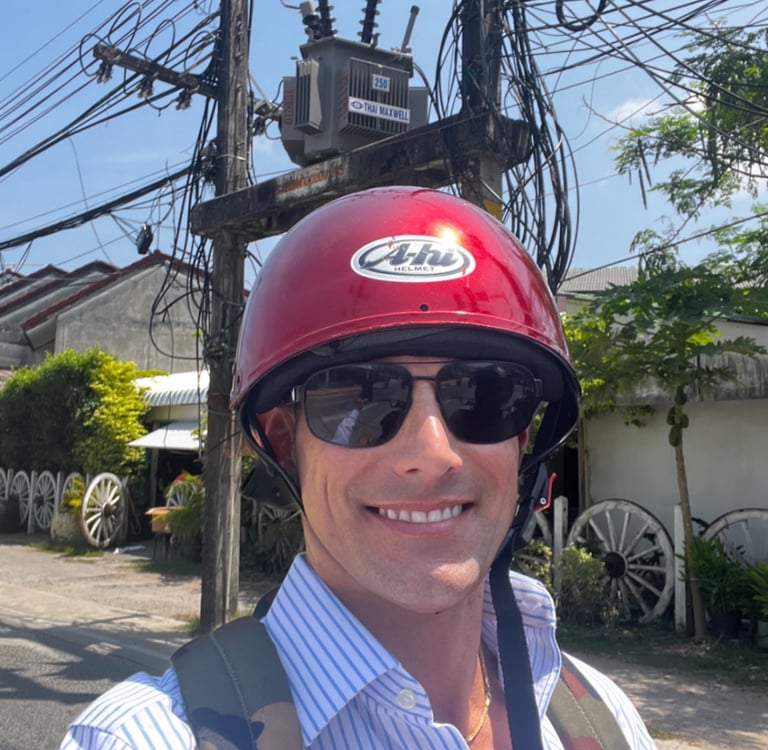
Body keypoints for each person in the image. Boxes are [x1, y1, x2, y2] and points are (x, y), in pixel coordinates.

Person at [62, 186, 655, 749]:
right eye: (357, 399)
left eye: (484, 394)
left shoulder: (600, 721)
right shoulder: (147, 735)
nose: (432, 454)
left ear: (523, 441)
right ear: (286, 445)